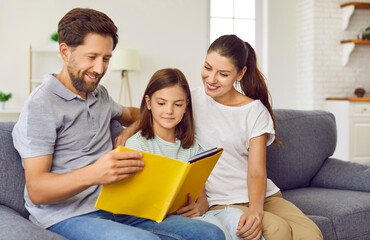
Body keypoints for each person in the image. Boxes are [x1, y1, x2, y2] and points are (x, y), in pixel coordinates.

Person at [12, 8, 225, 240]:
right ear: (65, 51)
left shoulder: (99, 95)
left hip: (117, 207)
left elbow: (138, 114)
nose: (100, 69)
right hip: (66, 215)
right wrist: (95, 173)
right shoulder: (41, 106)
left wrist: (129, 131)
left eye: (106, 59)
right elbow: (37, 190)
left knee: (210, 233)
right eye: (92, 57)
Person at [190, 34, 323, 240]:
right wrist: (125, 119)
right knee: (277, 229)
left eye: (223, 74)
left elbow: (257, 171)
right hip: (222, 200)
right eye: (207, 68)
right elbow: (155, 112)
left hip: (264, 196)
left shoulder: (254, 111)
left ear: (240, 74)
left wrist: (255, 210)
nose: (211, 79)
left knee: (311, 235)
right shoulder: (193, 100)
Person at [125, 68, 245, 240]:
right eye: (161, 103)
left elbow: (202, 198)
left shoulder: (191, 147)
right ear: (149, 102)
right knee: (213, 231)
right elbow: (132, 202)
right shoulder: (137, 145)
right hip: (151, 220)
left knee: (236, 218)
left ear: (186, 105)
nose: (169, 111)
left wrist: (200, 208)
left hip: (186, 217)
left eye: (178, 104)